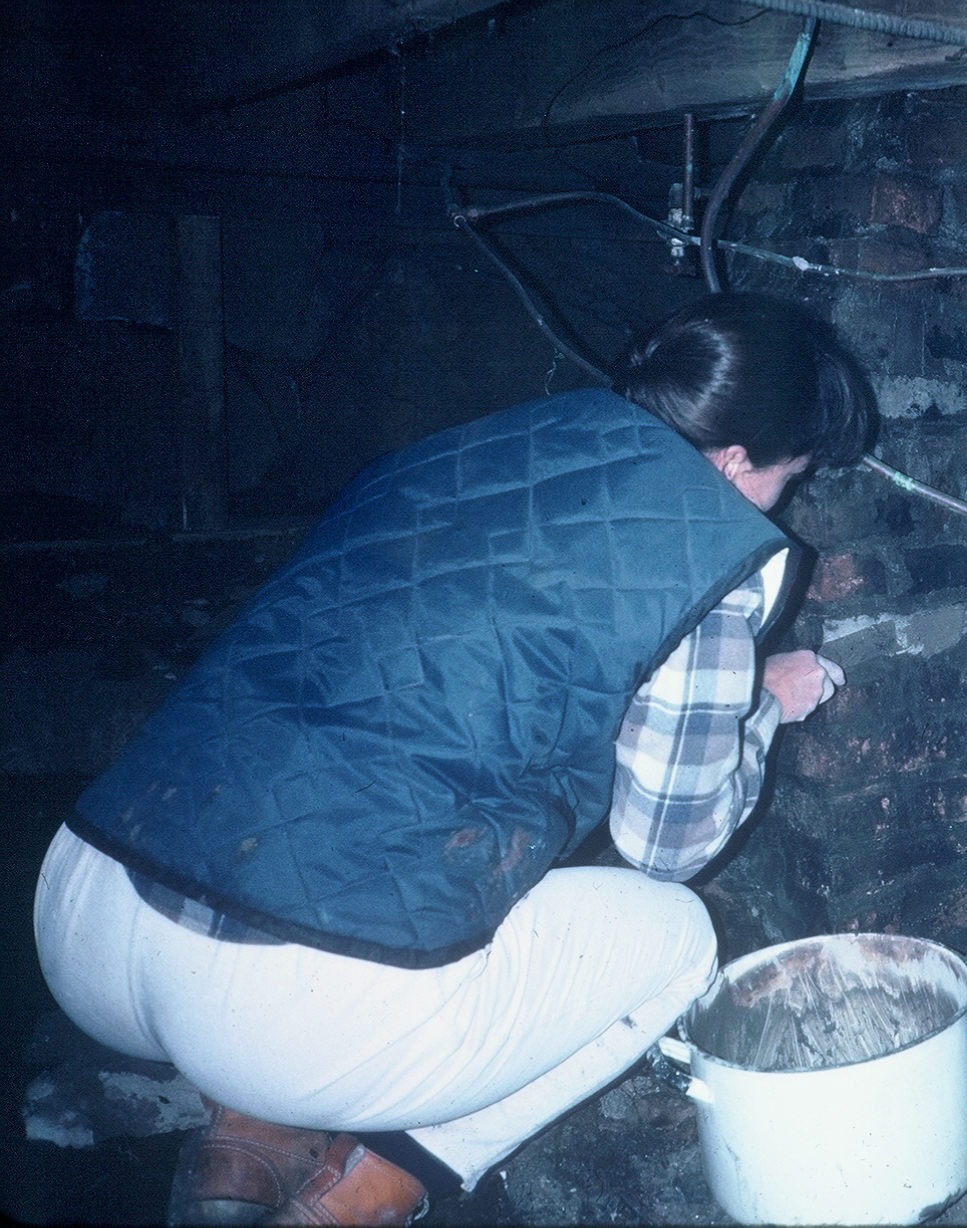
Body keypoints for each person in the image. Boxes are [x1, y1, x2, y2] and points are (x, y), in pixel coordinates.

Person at [32, 291, 876, 1224]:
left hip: (88, 912)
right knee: (679, 937)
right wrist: (761, 703)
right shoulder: (712, 549)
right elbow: (668, 844)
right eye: (789, 478)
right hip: (280, 1012)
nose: (779, 504)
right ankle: (375, 1187)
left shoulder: (464, 455)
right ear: (732, 461)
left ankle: (249, 1135)